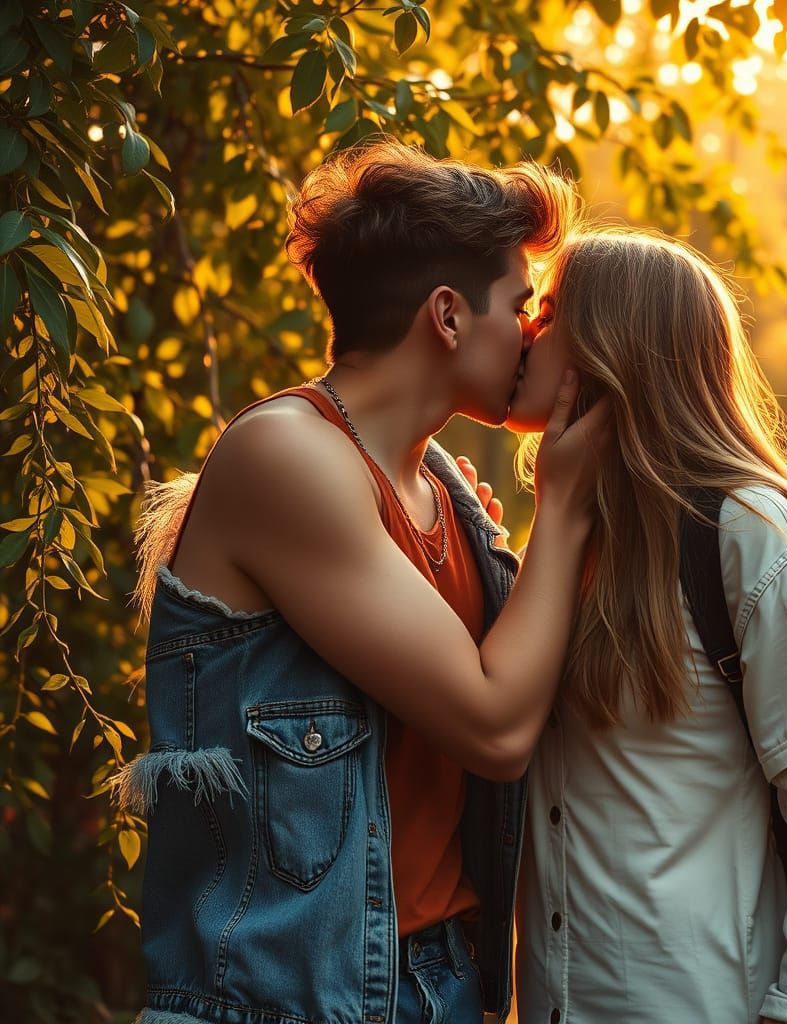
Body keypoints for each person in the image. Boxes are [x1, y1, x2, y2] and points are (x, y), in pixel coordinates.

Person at [113, 141, 607, 1024]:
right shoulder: (287, 455)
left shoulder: (445, 492)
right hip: (289, 998)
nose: (533, 333)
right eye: (521, 306)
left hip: (444, 981)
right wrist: (562, 505)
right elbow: (495, 729)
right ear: (448, 317)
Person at [493, 228, 787, 1024]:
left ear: (610, 348)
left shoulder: (757, 543)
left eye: (548, 314)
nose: (523, 331)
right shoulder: (567, 543)